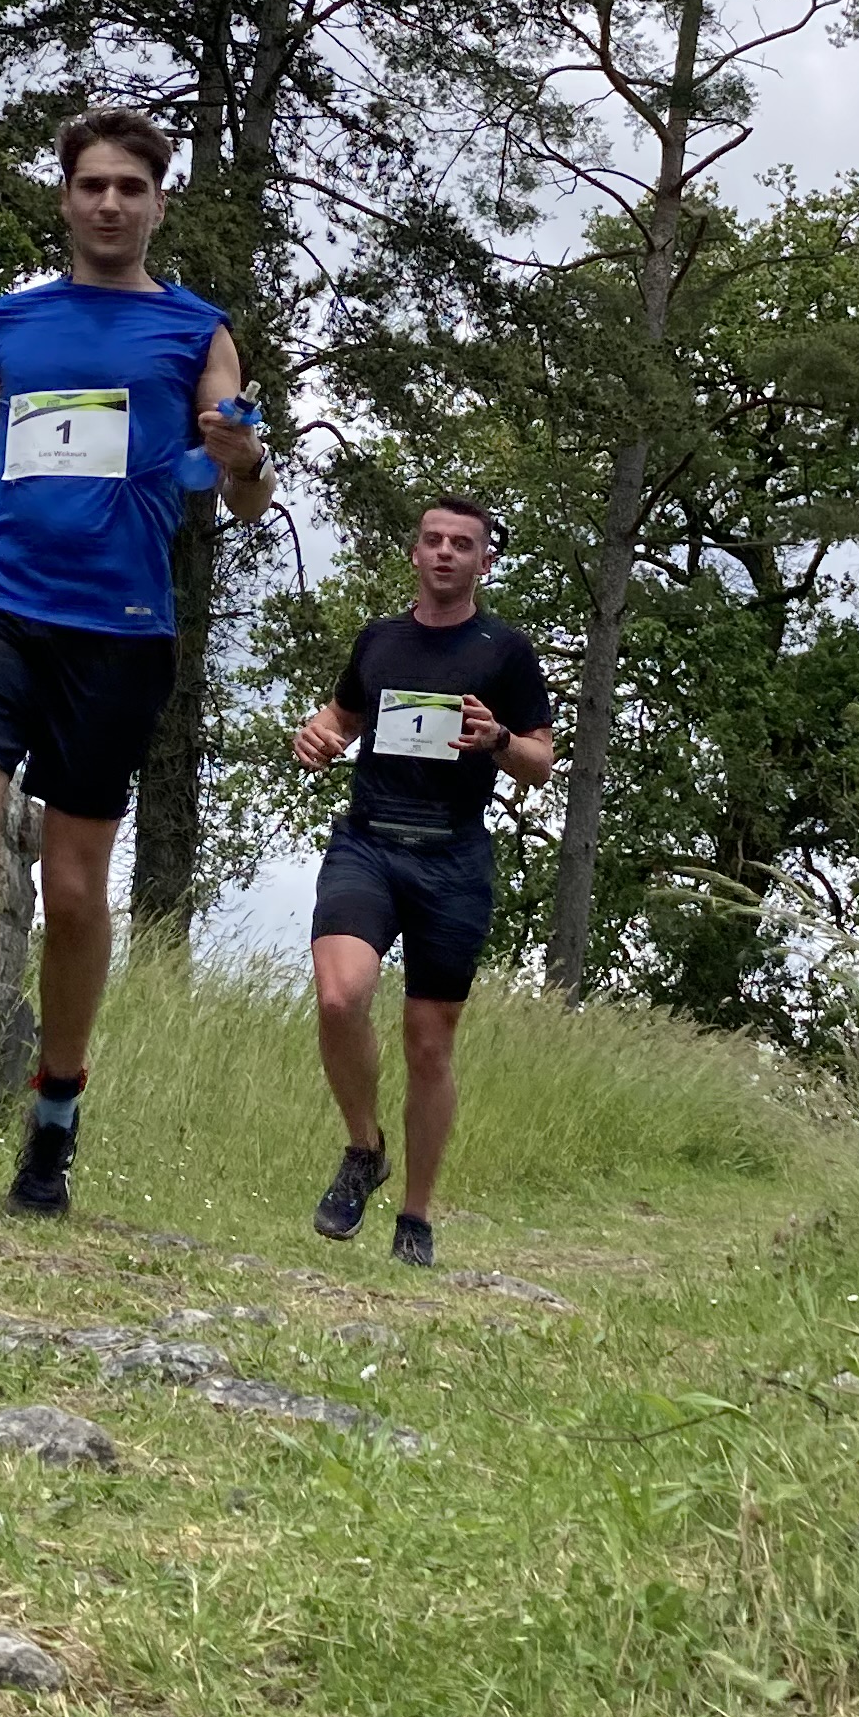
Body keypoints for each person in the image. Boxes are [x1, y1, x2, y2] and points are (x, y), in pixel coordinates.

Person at [0, 108, 272, 1217]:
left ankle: (57, 1115)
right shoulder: (13, 325)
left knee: (74, 891)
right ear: (66, 198)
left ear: (159, 203)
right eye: (92, 185)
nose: (110, 203)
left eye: (132, 187)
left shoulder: (196, 333)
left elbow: (243, 492)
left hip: (117, 628)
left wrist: (242, 457)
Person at [292, 497, 555, 1266]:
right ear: (415, 553)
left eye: (461, 544)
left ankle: (416, 1217)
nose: (445, 552)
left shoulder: (504, 651)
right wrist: (318, 738)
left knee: (429, 1045)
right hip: (369, 845)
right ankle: (363, 1149)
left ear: (484, 562)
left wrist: (498, 738)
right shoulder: (380, 641)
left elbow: (540, 762)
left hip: (452, 860)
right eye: (433, 540)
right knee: (339, 996)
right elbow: (340, 719)